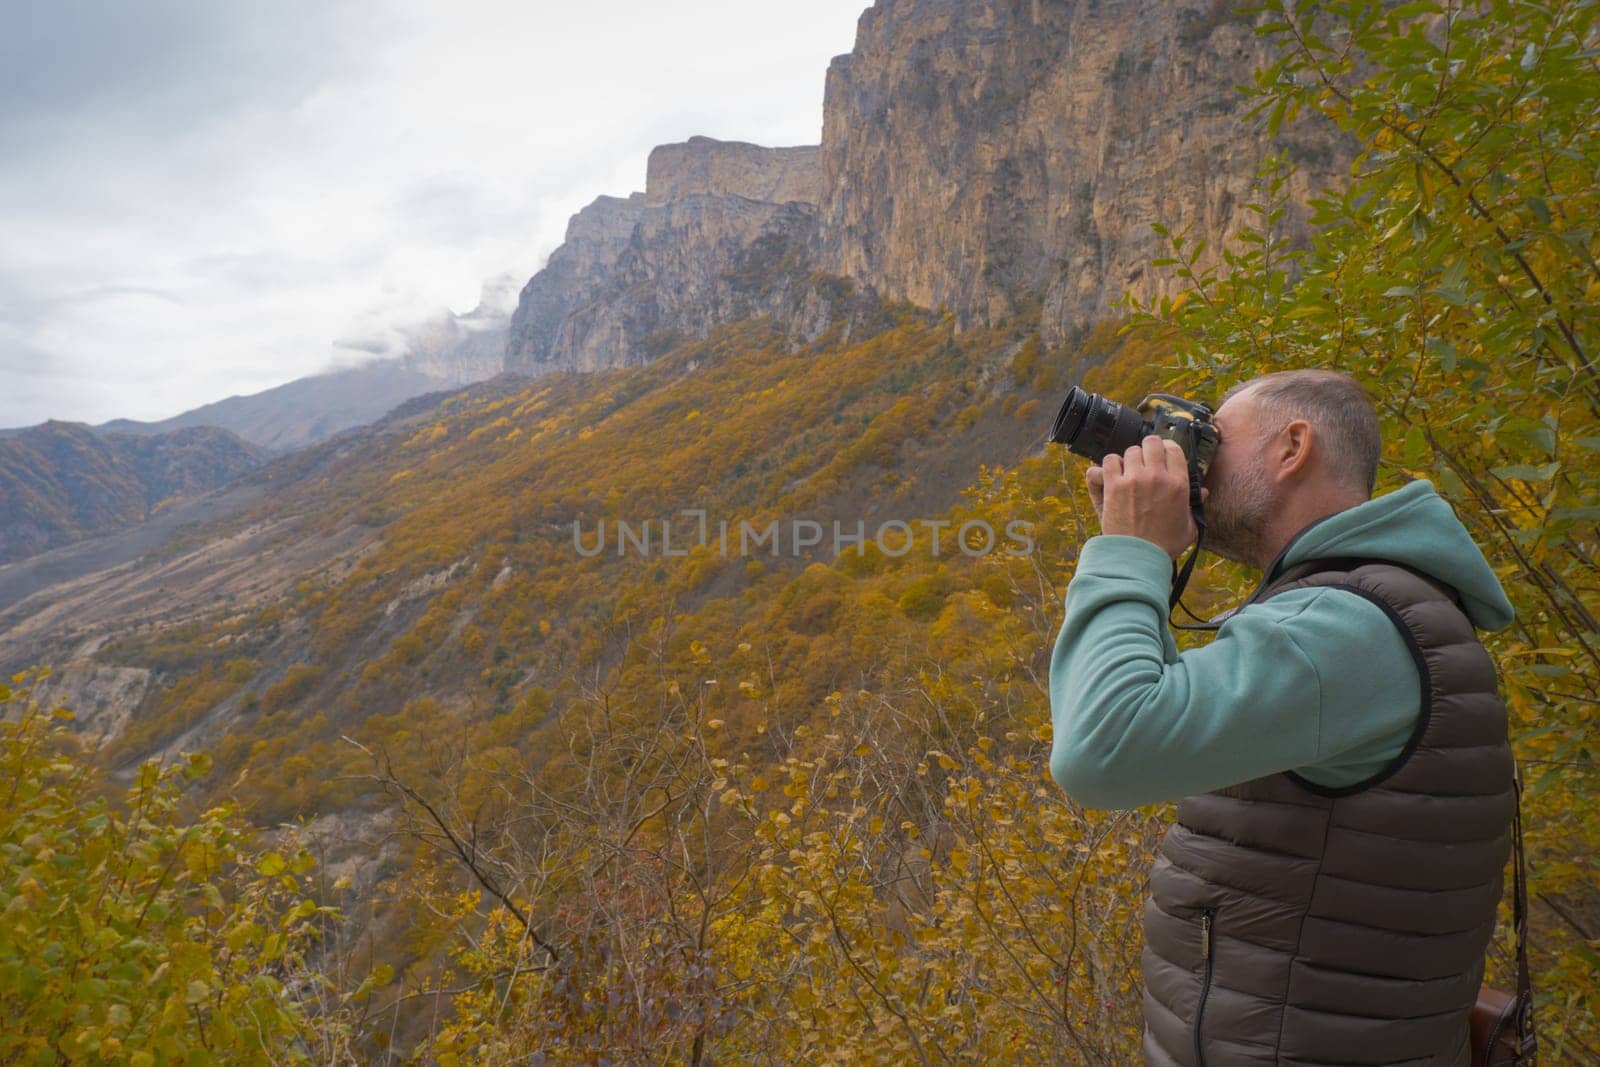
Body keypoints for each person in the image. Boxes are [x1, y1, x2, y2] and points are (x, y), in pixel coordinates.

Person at [1048, 369, 1516, 1066]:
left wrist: (1131, 552)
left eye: (1212, 441)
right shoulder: (1361, 611)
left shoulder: (1345, 630)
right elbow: (1154, 708)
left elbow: (1101, 749)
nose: (1195, 469)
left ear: (1293, 445)